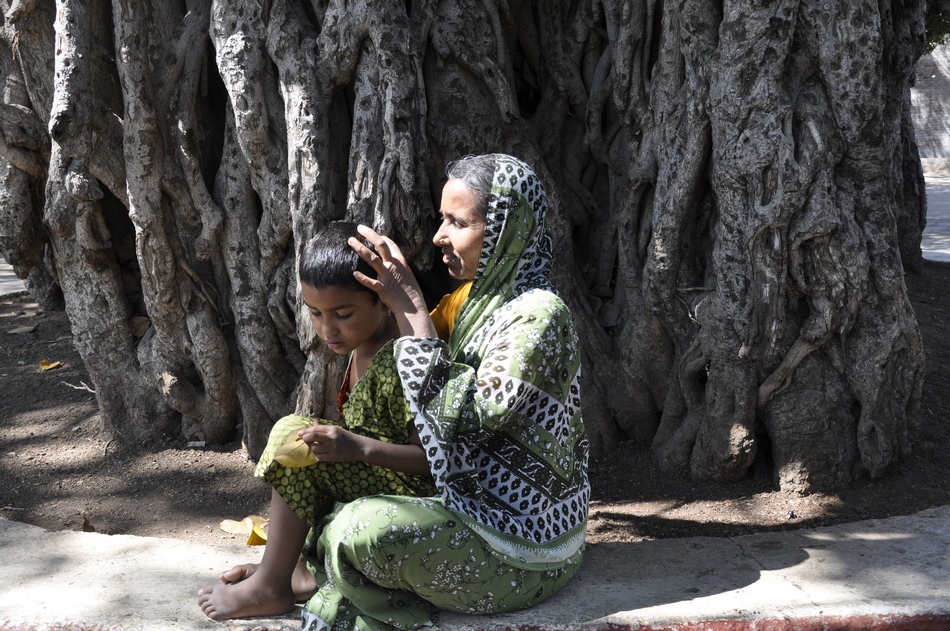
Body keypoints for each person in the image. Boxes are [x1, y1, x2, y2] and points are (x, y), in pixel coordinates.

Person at [202, 154, 589, 631]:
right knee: (296, 442)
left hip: (516, 542)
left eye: (457, 222)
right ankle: (279, 577)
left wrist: (410, 310)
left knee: (360, 527)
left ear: (509, 228)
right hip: (460, 501)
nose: (438, 237)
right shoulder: (472, 303)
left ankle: (314, 575)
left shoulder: (538, 316)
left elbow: (464, 425)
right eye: (441, 219)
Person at [198, 221, 436, 620]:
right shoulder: (363, 348)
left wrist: (357, 448)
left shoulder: (402, 358)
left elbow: (432, 461)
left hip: (415, 497)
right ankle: (291, 571)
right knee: (297, 435)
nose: (327, 328)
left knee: (298, 448)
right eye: (315, 313)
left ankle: (270, 587)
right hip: (375, 477)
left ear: (382, 300)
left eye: (342, 313)